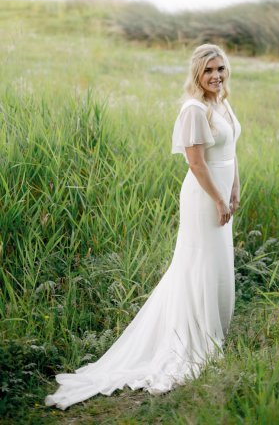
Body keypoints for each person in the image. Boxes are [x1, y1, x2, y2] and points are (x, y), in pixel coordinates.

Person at [45, 43, 241, 410]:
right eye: (209, 70)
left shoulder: (222, 103)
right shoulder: (195, 110)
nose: (216, 76)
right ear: (197, 73)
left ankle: (214, 329)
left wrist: (235, 189)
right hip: (203, 197)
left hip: (222, 192)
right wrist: (217, 198)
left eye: (221, 69)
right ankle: (191, 336)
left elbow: (231, 153)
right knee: (196, 265)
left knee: (218, 266)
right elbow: (197, 164)